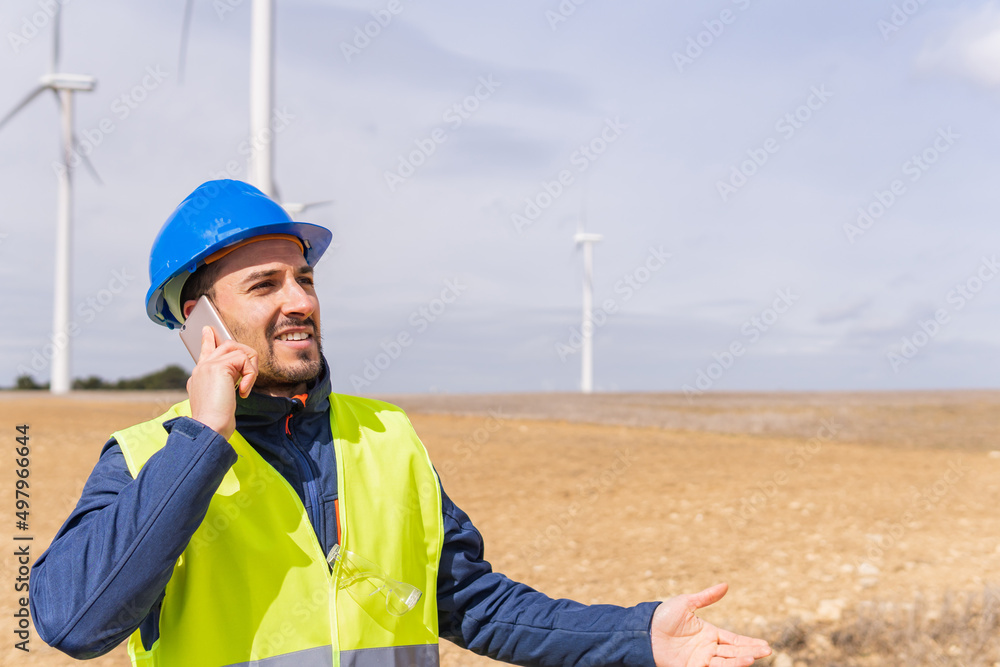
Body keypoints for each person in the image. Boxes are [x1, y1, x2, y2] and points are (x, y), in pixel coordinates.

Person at [30, 179, 772, 667]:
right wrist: (203, 441)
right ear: (201, 323)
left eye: (306, 278)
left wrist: (636, 636)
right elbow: (73, 618)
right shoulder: (148, 456)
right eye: (266, 284)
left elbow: (471, 601)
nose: (301, 301)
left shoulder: (387, 438)